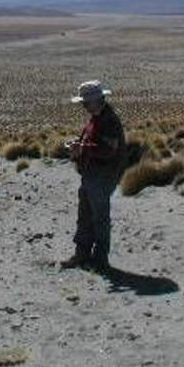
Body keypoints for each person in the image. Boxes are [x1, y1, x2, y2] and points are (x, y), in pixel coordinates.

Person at [61, 80, 126, 274]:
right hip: (91, 174)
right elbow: (90, 141)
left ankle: (100, 259)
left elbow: (108, 150)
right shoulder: (95, 118)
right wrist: (78, 144)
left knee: (99, 218)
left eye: (85, 102)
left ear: (96, 100)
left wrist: (82, 148)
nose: (83, 105)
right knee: (85, 215)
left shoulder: (109, 120)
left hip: (103, 176)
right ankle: (82, 253)